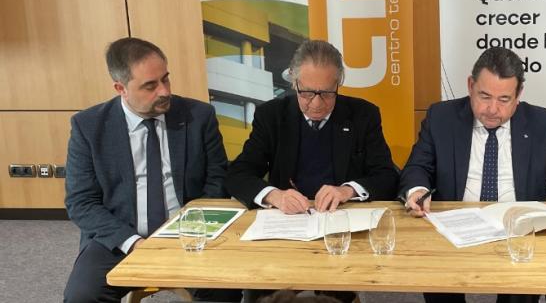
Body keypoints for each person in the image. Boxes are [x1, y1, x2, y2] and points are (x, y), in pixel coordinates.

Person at [399, 47, 546, 303]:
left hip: (517, 228)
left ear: (518, 95)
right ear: (471, 86)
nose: (492, 109)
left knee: (521, 289)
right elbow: (417, 167)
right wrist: (417, 191)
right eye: (484, 96)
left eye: (504, 99)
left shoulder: (542, 123)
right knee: (440, 282)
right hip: (455, 226)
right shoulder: (441, 117)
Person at [63, 37, 239, 303]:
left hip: (191, 234)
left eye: (165, 79)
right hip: (120, 237)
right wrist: (133, 242)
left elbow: (218, 179)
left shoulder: (199, 116)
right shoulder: (89, 127)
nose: (164, 91)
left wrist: (192, 227)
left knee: (225, 291)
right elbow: (81, 202)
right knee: (82, 297)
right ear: (121, 88)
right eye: (150, 85)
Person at [226, 39, 399, 212]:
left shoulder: (363, 115)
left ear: (338, 83)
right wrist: (274, 196)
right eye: (307, 93)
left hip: (343, 215)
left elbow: (387, 177)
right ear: (294, 83)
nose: (316, 104)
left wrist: (348, 190)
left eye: (327, 93)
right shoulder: (271, 116)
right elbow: (238, 174)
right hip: (289, 219)